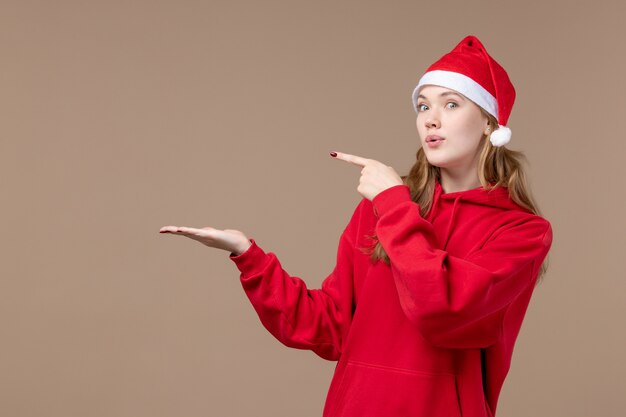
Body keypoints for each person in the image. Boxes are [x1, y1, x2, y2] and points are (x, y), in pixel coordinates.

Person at [160, 34, 553, 417]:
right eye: (422, 106)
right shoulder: (379, 210)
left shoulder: (522, 232)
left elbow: (443, 311)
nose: (431, 120)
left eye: (451, 105)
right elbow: (331, 327)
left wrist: (393, 204)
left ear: (489, 122)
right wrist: (248, 255)